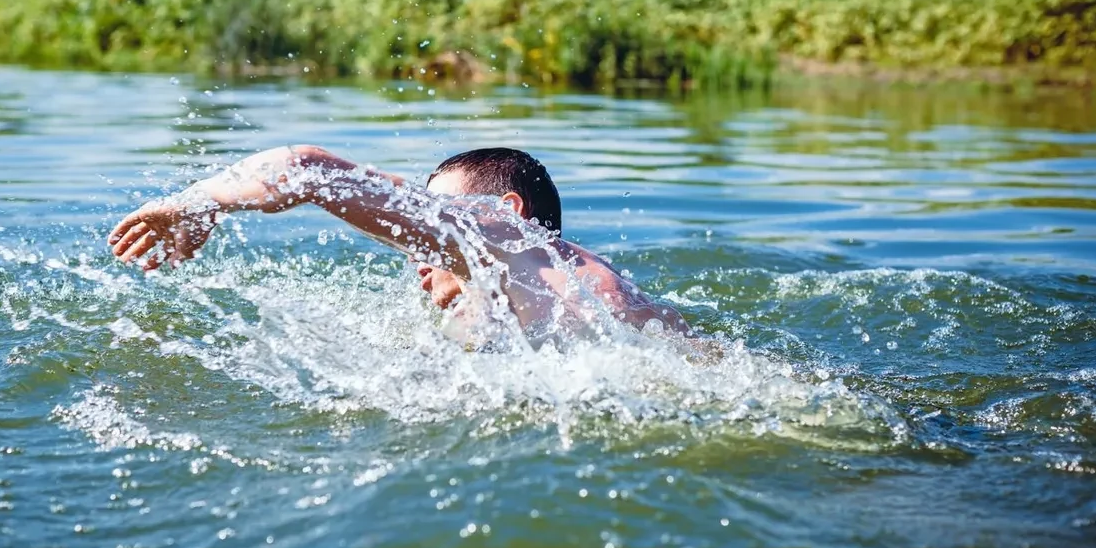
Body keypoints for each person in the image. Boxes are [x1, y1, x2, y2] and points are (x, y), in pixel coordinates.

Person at [107, 145, 692, 343]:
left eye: (441, 214)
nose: (419, 250)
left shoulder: (506, 238)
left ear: (505, 212)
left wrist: (195, 202)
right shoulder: (563, 284)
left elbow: (306, 169)